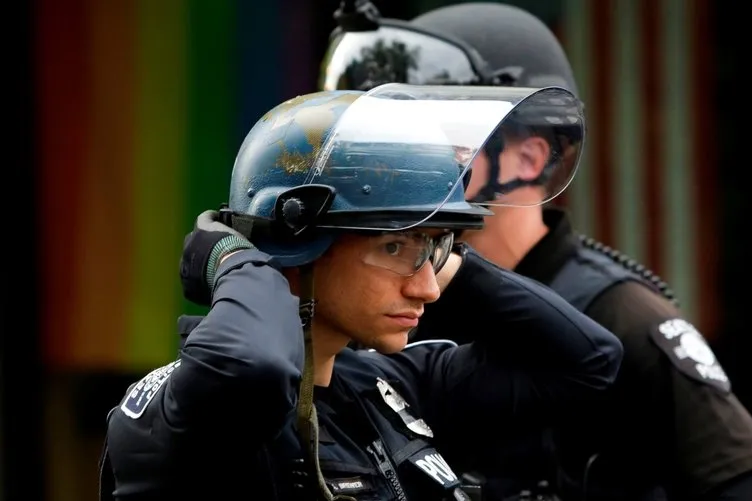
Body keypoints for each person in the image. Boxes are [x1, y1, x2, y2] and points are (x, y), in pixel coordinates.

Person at [98, 85, 624, 501]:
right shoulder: (191, 404)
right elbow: (250, 367)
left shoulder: (388, 389)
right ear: (298, 239)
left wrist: (438, 252)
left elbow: (588, 360)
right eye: (394, 248)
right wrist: (237, 259)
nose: (427, 288)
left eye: (433, 249)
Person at [319, 2, 752, 500]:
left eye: (437, 135)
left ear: (527, 157)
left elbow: (735, 481)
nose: (399, 156)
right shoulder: (382, 301)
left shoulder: (621, 313)